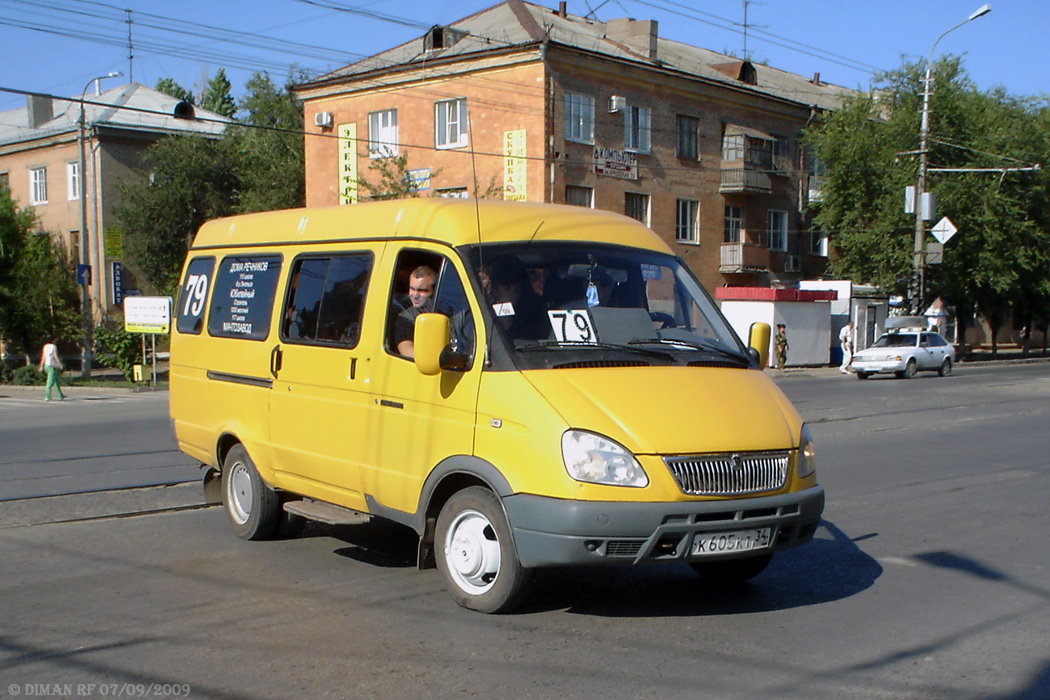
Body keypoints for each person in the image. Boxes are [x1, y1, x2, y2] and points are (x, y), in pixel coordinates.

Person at [392, 265, 438, 358]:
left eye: (422, 290)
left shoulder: (449, 312)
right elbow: (408, 352)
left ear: (434, 291)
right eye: (412, 289)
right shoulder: (405, 318)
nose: (415, 295)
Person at [38, 336, 66, 401]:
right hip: (52, 366)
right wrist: (59, 364)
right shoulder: (53, 346)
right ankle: (47, 396)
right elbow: (54, 356)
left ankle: (60, 395)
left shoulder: (45, 347)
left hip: (46, 366)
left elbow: (43, 357)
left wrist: (41, 366)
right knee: (50, 382)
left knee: (56, 381)